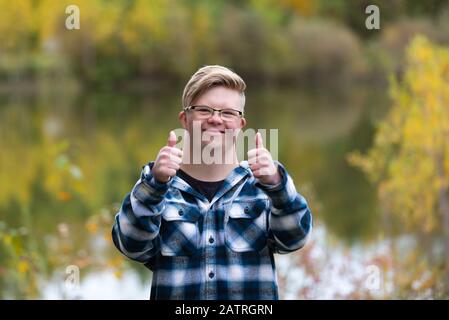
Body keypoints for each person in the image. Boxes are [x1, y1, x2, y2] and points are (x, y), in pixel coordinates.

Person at [112, 65, 312, 300]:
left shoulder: (264, 187)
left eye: (228, 113)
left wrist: (278, 185)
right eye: (204, 110)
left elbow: (295, 239)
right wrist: (155, 184)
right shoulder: (157, 186)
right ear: (185, 119)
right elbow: (131, 246)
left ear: (240, 124)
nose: (216, 119)